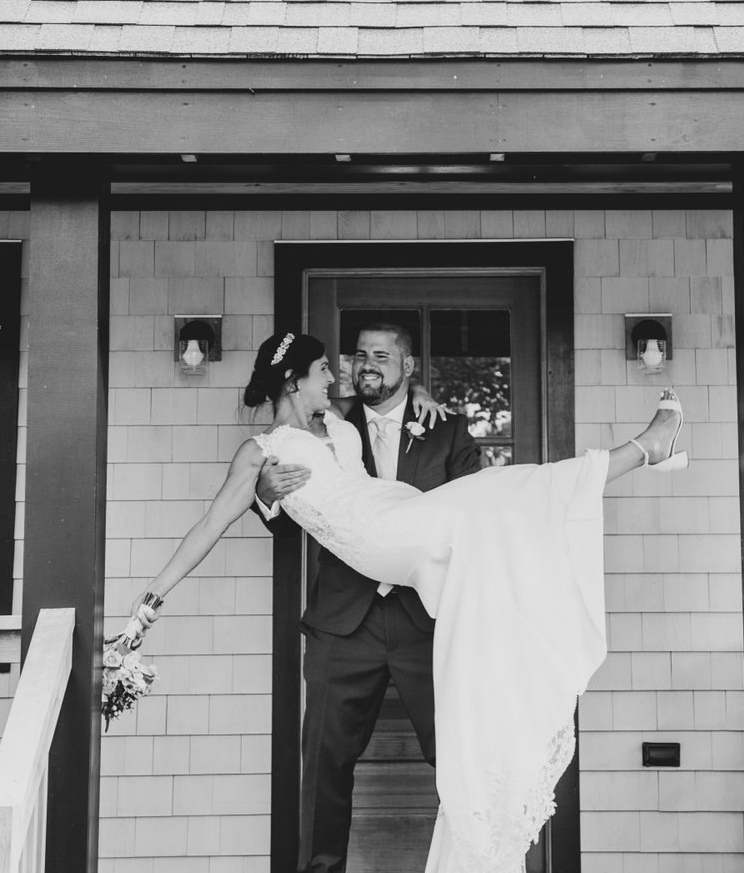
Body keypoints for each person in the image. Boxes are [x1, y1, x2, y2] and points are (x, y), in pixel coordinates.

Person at [127, 330, 686, 873]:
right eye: (327, 369)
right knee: (325, 767)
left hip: (406, 540)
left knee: (508, 495)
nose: (340, 374)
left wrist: (414, 392)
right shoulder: (262, 453)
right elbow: (207, 525)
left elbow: (378, 408)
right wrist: (152, 600)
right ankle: (643, 450)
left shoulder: (341, 422)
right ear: (295, 382)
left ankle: (482, 853)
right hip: (372, 561)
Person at [256, 322, 481, 873]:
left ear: (409, 369)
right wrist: (265, 498)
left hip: (424, 620)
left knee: (458, 757)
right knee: (324, 766)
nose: (366, 364)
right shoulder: (323, 422)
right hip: (343, 622)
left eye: (383, 355)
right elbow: (294, 525)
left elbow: (475, 514)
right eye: (359, 354)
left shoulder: (446, 431)